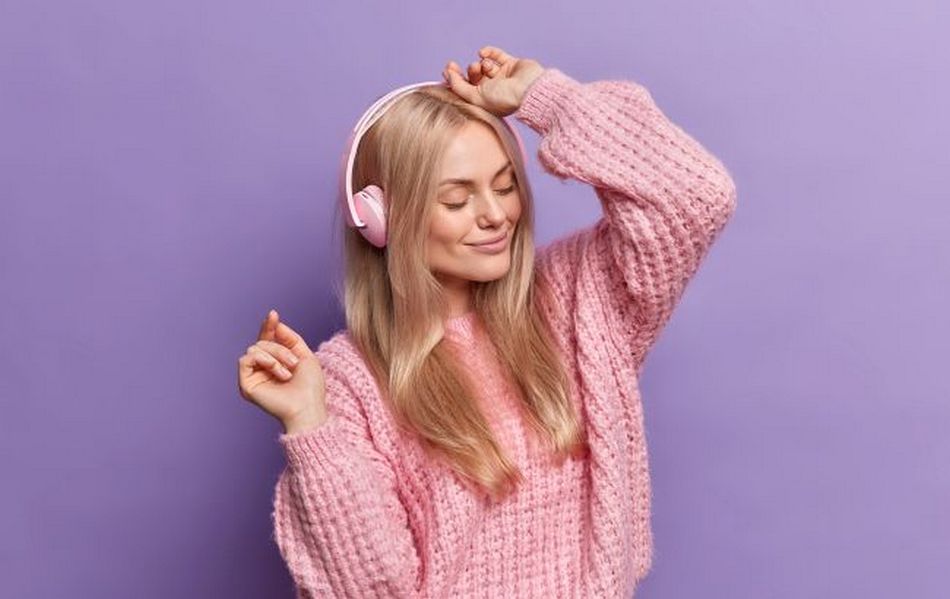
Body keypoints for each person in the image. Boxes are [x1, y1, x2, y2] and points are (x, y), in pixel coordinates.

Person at [237, 45, 737, 598]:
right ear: (381, 221)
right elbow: (374, 588)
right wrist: (311, 425)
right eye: (457, 200)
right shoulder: (347, 383)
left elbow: (696, 197)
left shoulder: (577, 302)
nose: (496, 215)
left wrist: (546, 97)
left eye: (504, 186)